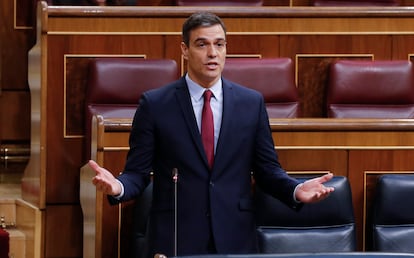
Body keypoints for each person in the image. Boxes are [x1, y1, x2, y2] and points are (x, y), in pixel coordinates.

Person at [89, 11, 335, 258]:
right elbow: (138, 173)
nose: (212, 53)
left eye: (219, 44)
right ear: (185, 50)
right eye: (202, 44)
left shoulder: (250, 103)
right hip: (175, 238)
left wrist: (296, 189)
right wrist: (118, 186)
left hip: (235, 237)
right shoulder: (155, 104)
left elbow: (267, 171)